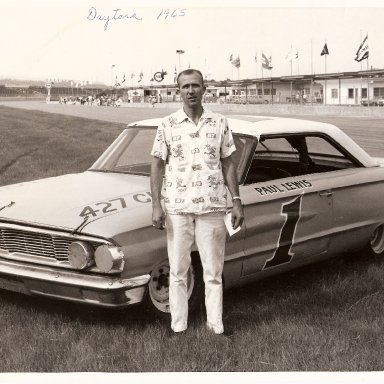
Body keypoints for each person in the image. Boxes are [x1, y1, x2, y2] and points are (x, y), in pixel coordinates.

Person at [150, 69, 244, 335]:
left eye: (195, 85)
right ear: (177, 91)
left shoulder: (219, 122)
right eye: (184, 87)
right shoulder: (167, 124)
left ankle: (216, 327)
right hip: (178, 209)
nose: (190, 91)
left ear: (205, 88)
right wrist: (156, 205)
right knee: (179, 271)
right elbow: (157, 165)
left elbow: (228, 162)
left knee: (213, 272)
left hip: (213, 208)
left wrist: (236, 200)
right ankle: (178, 327)